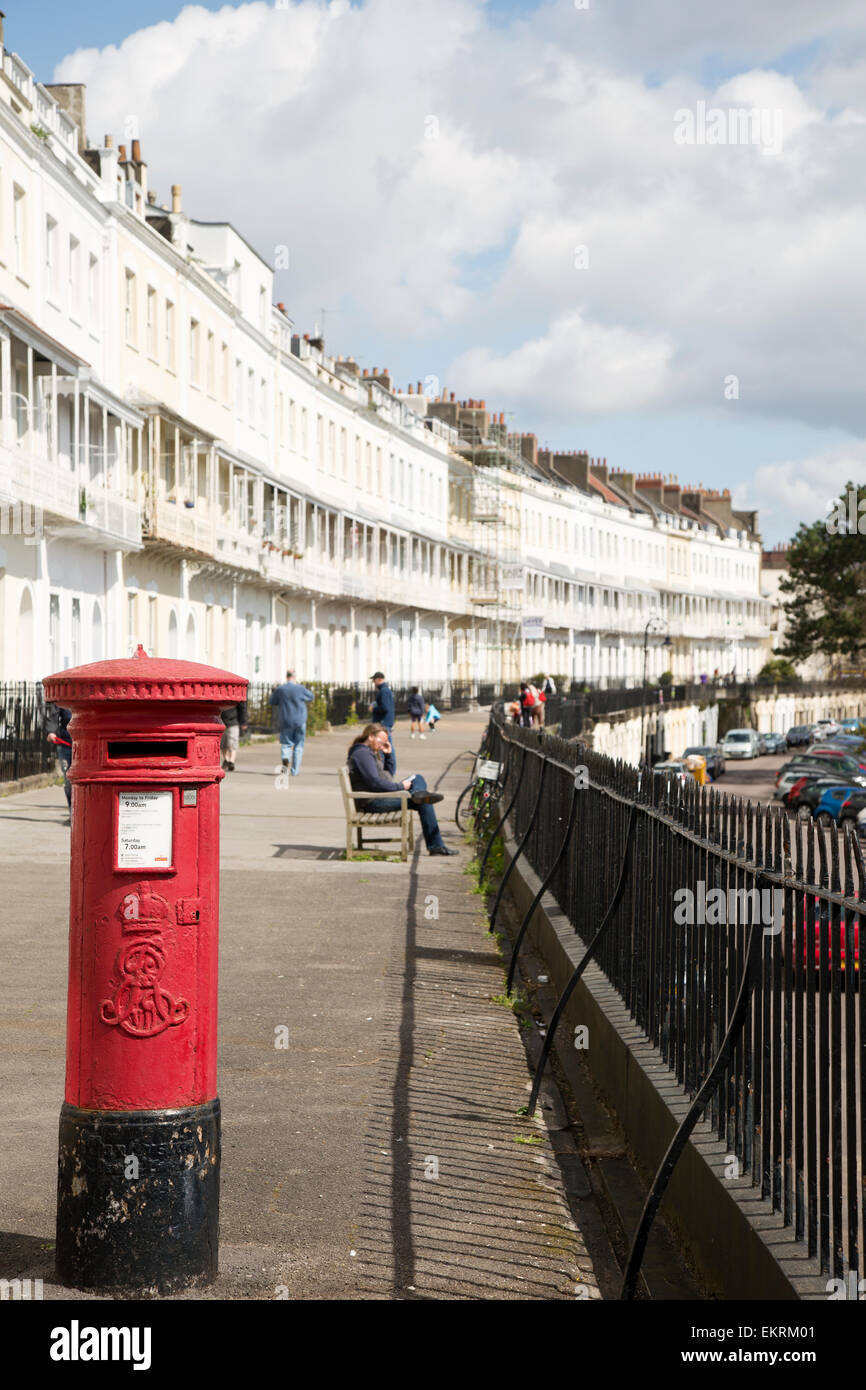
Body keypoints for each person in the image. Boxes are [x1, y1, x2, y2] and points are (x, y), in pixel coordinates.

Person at [347, 723, 457, 856]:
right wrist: (401, 787)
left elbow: (389, 775)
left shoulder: (370, 752)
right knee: (424, 802)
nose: (382, 746)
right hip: (372, 802)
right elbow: (375, 783)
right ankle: (436, 846)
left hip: (379, 796)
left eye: (385, 743)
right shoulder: (362, 754)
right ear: (370, 737)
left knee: (417, 778)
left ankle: (417, 793)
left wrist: (389, 754)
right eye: (381, 742)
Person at [269, 670, 314, 777]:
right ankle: (295, 771)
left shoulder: (280, 689)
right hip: (300, 720)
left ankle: (285, 758)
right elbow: (311, 697)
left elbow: (272, 701)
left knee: (286, 743)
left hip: (285, 720)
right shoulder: (300, 688)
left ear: (286, 677)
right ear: (294, 677)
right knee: (299, 745)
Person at [46, 704, 72, 820]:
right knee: (68, 782)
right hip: (66, 743)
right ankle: (73, 812)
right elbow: (54, 714)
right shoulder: (66, 691)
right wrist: (51, 731)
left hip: (86, 743)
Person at [370, 671, 397, 774]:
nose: (373, 682)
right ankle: (386, 770)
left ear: (379, 679)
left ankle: (386, 771)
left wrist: (374, 709)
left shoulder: (384, 691)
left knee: (383, 747)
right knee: (385, 745)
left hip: (383, 723)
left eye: (374, 680)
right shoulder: (385, 690)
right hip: (386, 722)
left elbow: (385, 708)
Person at [220, 700, 248, 772]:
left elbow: (243, 708)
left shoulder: (239, 697)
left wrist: (243, 722)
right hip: (221, 722)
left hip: (233, 722)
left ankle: (231, 761)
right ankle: (226, 760)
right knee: (223, 744)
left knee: (232, 743)